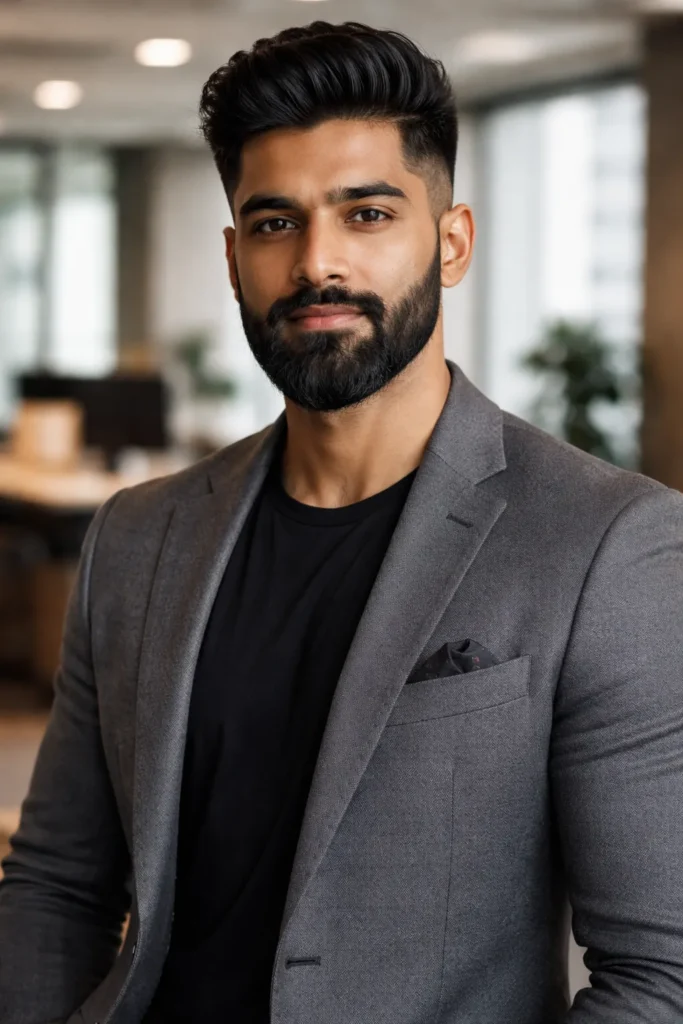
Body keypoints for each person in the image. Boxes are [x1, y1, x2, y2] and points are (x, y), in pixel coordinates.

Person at [1, 20, 683, 1024]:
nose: (317, 262)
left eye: (366, 214)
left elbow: (656, 976)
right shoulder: (135, 537)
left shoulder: (605, 543)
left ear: (449, 243)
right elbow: (58, 883)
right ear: (235, 258)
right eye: (274, 223)